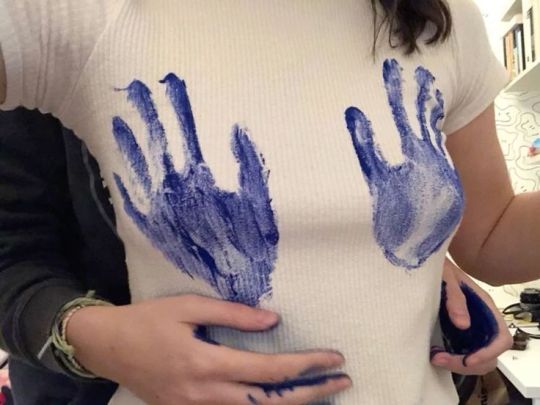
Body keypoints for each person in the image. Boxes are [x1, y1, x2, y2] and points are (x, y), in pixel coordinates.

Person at [0, 0, 535, 403]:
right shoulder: (91, 15)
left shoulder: (437, 18)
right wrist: (102, 339)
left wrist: (416, 254)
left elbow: (491, 236)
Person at [0, 108, 507, 405]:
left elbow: (328, 207)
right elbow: (13, 258)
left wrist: (425, 260)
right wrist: (97, 338)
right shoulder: (65, 24)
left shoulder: (411, 20)